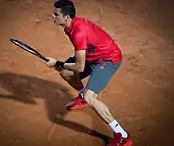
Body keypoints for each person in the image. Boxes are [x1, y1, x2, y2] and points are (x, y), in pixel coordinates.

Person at [46, 0, 133, 146]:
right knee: (66, 73)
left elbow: (79, 67)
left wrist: (58, 63)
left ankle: (122, 136)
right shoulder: (70, 26)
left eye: (56, 14)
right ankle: (82, 97)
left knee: (90, 97)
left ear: (67, 17)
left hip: (108, 60)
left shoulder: (78, 32)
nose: (52, 16)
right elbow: (80, 56)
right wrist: (60, 66)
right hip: (93, 56)